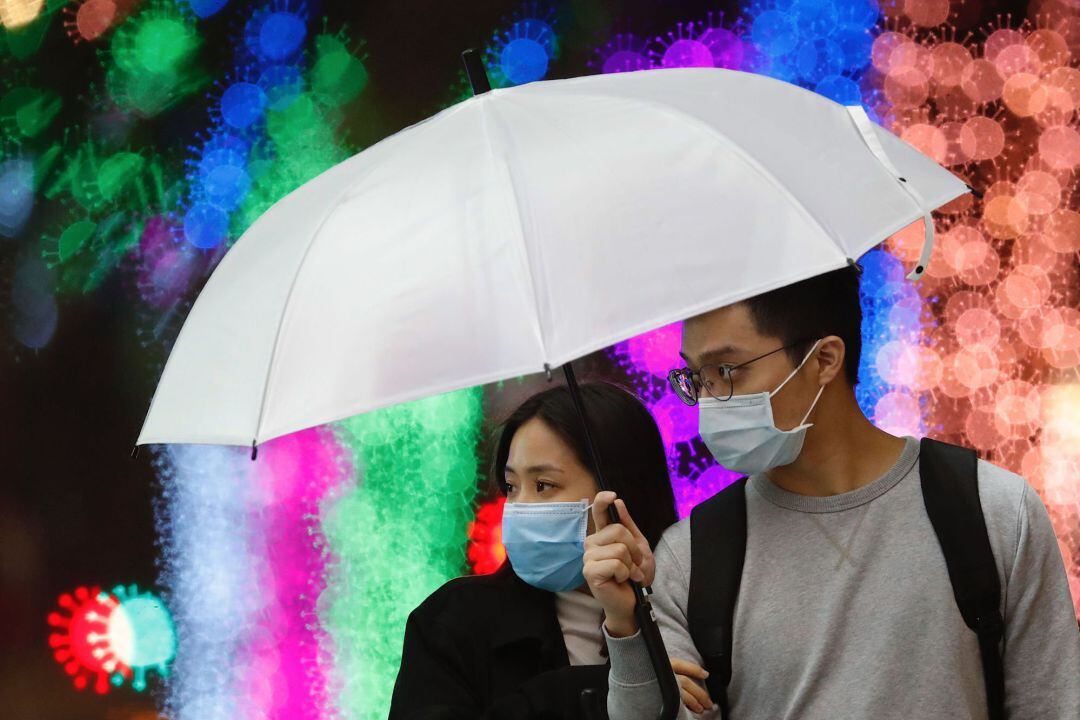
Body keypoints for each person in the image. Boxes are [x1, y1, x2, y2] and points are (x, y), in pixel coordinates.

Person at [583, 265, 1080, 719]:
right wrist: (628, 629)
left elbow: (1051, 703)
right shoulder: (691, 554)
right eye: (696, 376)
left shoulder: (992, 510)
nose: (709, 399)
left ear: (824, 358)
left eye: (728, 372)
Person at [389, 381, 681, 719]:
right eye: (512, 487)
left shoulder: (691, 601)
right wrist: (596, 689)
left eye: (544, 486)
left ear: (619, 495)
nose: (519, 507)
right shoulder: (451, 621)